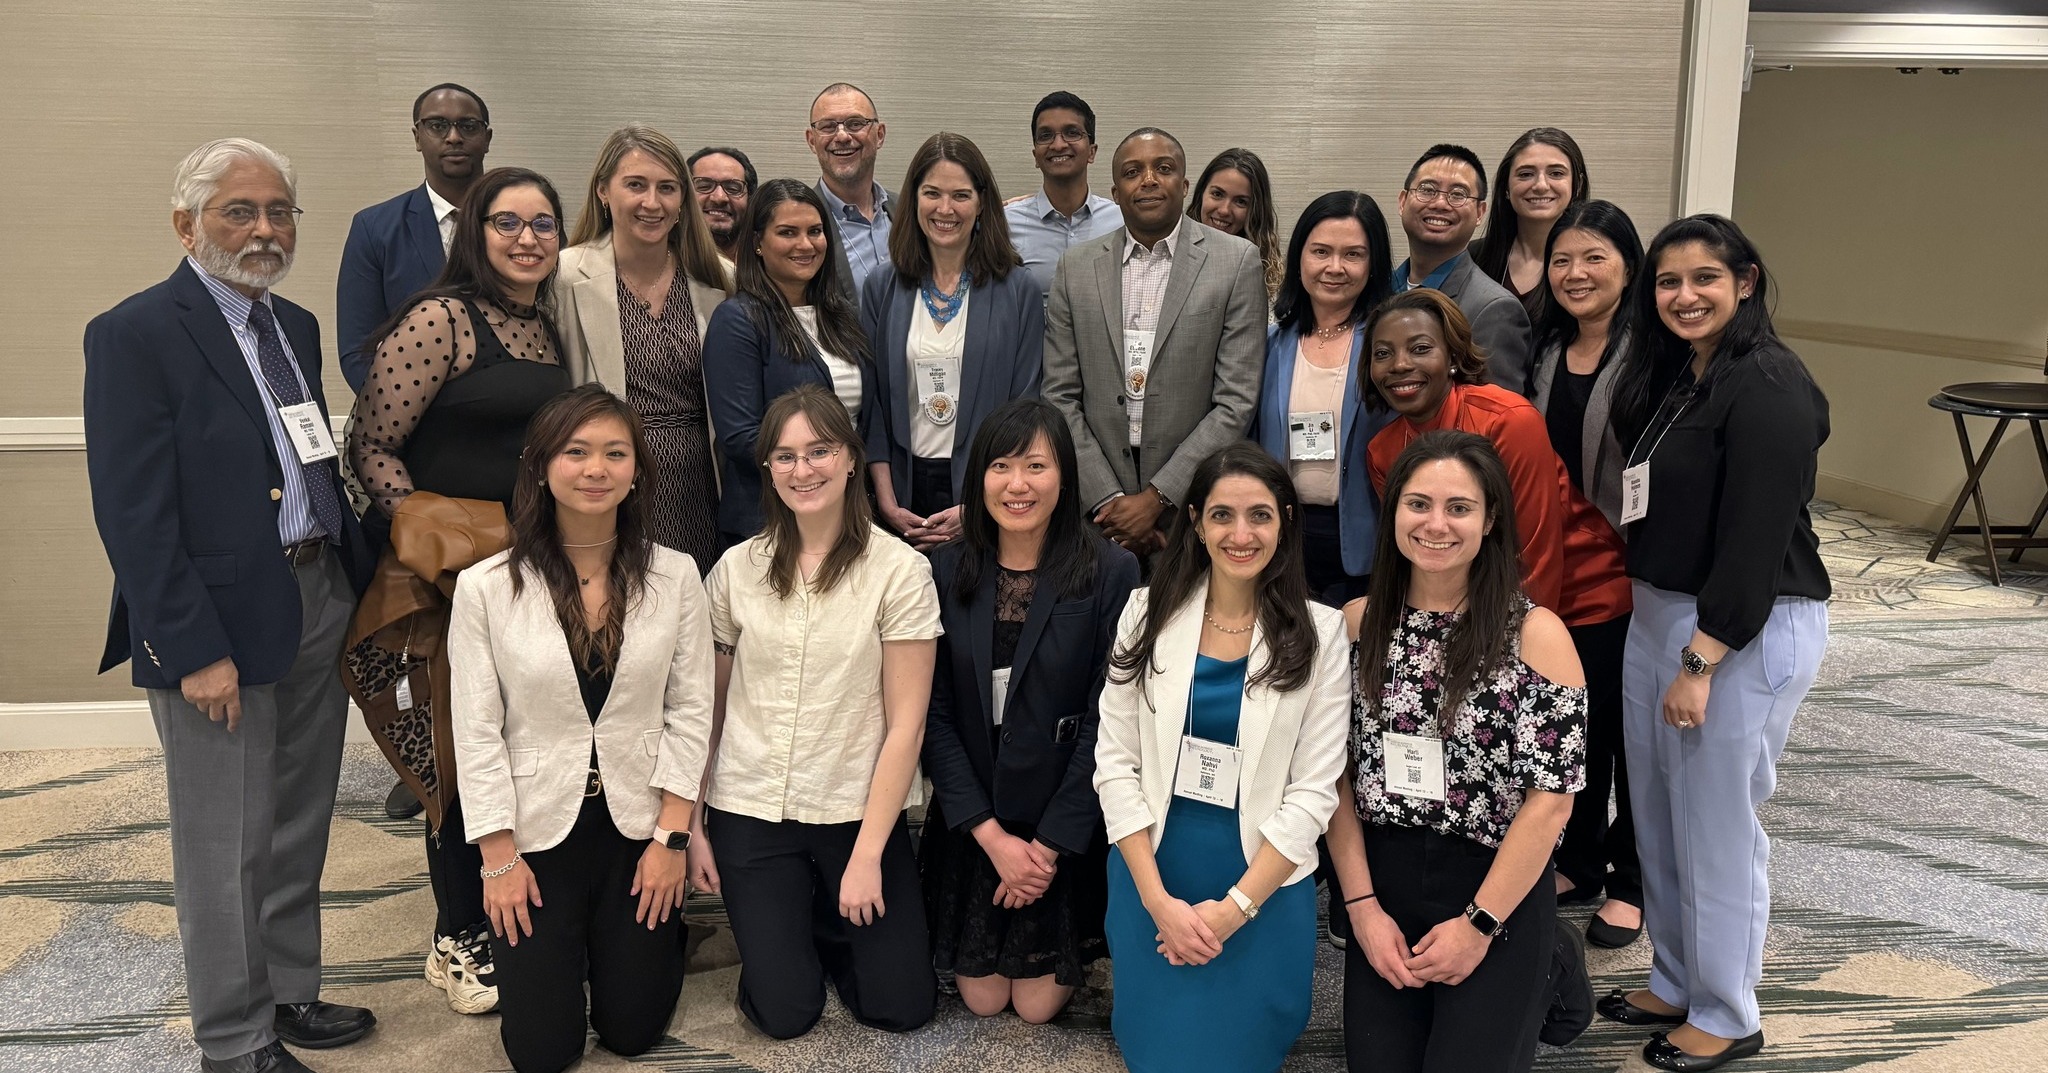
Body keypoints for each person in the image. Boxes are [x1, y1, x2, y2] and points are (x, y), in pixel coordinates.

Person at [85, 137, 378, 1073]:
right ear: (187, 224)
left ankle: (288, 989)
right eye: (239, 212)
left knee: (298, 814)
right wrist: (190, 645)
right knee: (224, 838)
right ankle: (233, 1036)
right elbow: (133, 514)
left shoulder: (291, 324)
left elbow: (302, 453)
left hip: (314, 590)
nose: (263, 230)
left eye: (279, 211)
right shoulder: (135, 332)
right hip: (214, 619)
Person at [1596, 215, 1830, 1072]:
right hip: (1659, 612)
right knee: (1658, 815)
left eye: (1704, 278)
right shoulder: (1686, 374)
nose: (1684, 296)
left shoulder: (1768, 383)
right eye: (1667, 282)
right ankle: (1677, 975)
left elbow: (1755, 541)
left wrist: (1703, 657)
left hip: (1736, 631)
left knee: (1717, 823)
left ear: (1748, 281)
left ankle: (1729, 1010)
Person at [347, 166, 575, 1017]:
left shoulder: (546, 329)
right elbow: (371, 442)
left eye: (543, 224)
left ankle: (509, 910)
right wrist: (427, 530)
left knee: (515, 742)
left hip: (529, 569)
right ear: (474, 232)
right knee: (455, 747)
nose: (527, 238)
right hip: (451, 578)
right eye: (507, 222)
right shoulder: (440, 317)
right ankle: (458, 936)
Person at [450, 385, 713, 1073]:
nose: (596, 468)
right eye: (576, 451)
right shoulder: (484, 587)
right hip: (535, 833)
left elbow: (690, 712)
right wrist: (498, 861)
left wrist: (672, 839)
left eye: (614, 453)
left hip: (639, 827)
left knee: (633, 1028)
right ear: (540, 466)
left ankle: (640, 945)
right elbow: (476, 733)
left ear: (635, 472)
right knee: (542, 1051)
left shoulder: (677, 575)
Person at [1327, 429, 1587, 1073]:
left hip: (1495, 879)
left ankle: (1546, 954)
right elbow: (1331, 781)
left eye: (1459, 507)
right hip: (1382, 876)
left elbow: (1550, 804)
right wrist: (1360, 911)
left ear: (1490, 518)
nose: (1435, 524)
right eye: (1417, 504)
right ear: (1392, 516)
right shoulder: (1355, 625)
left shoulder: (1536, 635)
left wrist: (1479, 926)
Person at [692, 384, 940, 1039]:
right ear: (767, 469)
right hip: (751, 805)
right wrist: (692, 822)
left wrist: (866, 857)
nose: (803, 470)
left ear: (852, 458)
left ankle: (827, 919)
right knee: (785, 1014)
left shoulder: (901, 571)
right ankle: (791, 930)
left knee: (902, 1005)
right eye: (785, 456)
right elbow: (707, 712)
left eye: (819, 450)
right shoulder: (734, 570)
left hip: (855, 808)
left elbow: (906, 727)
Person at [1094, 441, 1349, 1073]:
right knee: (1156, 1055)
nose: (1242, 533)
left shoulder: (1323, 634)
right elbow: (1114, 764)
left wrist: (1234, 910)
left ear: (1286, 522)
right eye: (1222, 515)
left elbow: (1314, 793)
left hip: (1260, 878)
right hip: (1153, 866)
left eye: (1260, 515)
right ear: (1196, 523)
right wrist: (1156, 903)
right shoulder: (1144, 612)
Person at [921, 400, 1141, 1022]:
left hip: (1060, 817)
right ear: (977, 480)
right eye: (1001, 466)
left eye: (1035, 466)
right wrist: (991, 837)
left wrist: (1045, 847)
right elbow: (931, 718)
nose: (1018, 484)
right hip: (976, 818)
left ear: (1064, 477)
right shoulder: (942, 571)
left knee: (1037, 1006)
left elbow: (1110, 717)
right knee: (985, 1000)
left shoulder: (1111, 570)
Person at [1041, 127, 1266, 557]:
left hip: (1193, 507)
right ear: (1114, 190)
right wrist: (1109, 501)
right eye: (1132, 172)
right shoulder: (1076, 267)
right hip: (1098, 516)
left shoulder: (1235, 261)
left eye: (1163, 169)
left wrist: (1158, 498)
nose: (1148, 180)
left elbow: (1236, 400)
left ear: (1183, 186)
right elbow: (1059, 395)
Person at [1528, 199, 1646, 947]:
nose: (1575, 273)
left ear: (1627, 265)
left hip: (1629, 569)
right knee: (1577, 726)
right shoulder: (1547, 351)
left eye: (1594, 257)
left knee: (1630, 737)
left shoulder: (1651, 355)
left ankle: (1633, 881)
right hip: (1559, 567)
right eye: (1563, 259)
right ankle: (1581, 858)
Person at [555, 125, 731, 572]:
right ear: (603, 192)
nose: (652, 203)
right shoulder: (564, 276)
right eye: (636, 185)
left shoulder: (720, 279)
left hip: (703, 481)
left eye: (667, 188)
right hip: (610, 477)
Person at [864, 132, 1045, 550]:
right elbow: (872, 402)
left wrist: (980, 503)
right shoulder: (882, 287)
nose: (945, 209)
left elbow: (1026, 404)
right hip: (902, 491)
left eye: (960, 195)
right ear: (914, 200)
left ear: (982, 203)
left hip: (990, 493)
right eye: (932, 193)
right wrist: (886, 500)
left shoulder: (1018, 290)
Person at [702, 179, 877, 548]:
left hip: (846, 513)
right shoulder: (738, 320)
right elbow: (740, 437)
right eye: (787, 232)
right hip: (770, 523)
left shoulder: (842, 316)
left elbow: (864, 419)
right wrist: (822, 471)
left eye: (815, 231)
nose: (805, 244)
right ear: (757, 243)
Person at [1253, 191, 1396, 606]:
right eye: (1321, 252)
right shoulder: (1269, 345)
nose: (1335, 267)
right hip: (1282, 533)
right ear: (1300, 258)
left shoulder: (1388, 347)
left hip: (1366, 540)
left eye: (1353, 254)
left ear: (1373, 266)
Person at [338, 83, 494, 392]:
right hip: (416, 425)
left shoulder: (525, 224)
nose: (453, 137)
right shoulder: (374, 228)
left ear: (486, 138)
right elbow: (358, 352)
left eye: (468, 126)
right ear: (417, 137)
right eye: (437, 125)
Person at [1392, 144, 1533, 395]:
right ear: (1403, 201)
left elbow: (1494, 420)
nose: (1440, 203)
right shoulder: (1378, 288)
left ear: (1480, 212)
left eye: (1458, 194)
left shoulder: (1495, 309)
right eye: (1427, 190)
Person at [1004, 91, 1124, 291]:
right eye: (1046, 135)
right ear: (1035, 155)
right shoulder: (1006, 224)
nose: (1058, 145)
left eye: (1072, 132)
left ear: (1091, 152)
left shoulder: (1122, 221)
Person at [1472, 128, 1591, 312]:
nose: (1541, 186)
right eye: (1526, 174)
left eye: (1556, 173)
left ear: (1577, 185)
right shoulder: (1475, 257)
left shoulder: (1591, 265)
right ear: (1506, 187)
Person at [808, 82, 893, 301]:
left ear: (880, 134)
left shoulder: (910, 210)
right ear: (811, 140)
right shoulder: (801, 221)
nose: (843, 136)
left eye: (855, 124)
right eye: (828, 126)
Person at [1189, 148, 1284, 301]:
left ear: (1255, 210)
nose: (1224, 210)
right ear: (1201, 194)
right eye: (1217, 194)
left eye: (1241, 202)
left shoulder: (1269, 278)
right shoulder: (1169, 252)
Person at [688, 145, 758, 268]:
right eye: (704, 186)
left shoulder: (769, 268)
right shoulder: (664, 267)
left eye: (733, 188)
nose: (719, 198)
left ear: (751, 199)